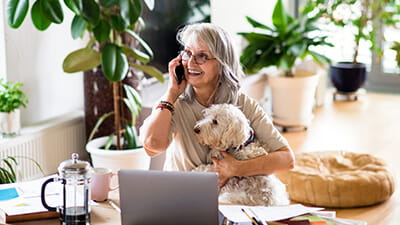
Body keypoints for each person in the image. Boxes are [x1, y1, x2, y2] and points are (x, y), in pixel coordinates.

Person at [139, 23, 294, 188]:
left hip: (228, 201)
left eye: (202, 56)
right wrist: (171, 93)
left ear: (222, 64)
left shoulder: (243, 104)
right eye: (188, 53)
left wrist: (236, 168)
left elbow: (286, 160)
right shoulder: (172, 102)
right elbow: (152, 146)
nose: (191, 62)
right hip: (182, 194)